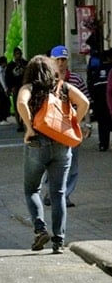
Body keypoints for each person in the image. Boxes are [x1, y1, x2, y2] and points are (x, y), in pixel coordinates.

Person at [16, 55, 89, 254]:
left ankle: (40, 229)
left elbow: (21, 103)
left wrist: (29, 128)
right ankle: (59, 241)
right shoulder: (63, 87)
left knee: (31, 189)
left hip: (37, 142)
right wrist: (72, 124)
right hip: (61, 143)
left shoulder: (29, 88)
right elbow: (84, 102)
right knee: (58, 193)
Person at [43, 45, 91, 207]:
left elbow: (86, 102)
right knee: (51, 162)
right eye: (58, 60)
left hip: (71, 127)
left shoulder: (76, 80)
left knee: (71, 163)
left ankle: (65, 195)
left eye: (63, 60)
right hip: (51, 128)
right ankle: (50, 192)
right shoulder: (46, 81)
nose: (61, 63)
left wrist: (86, 124)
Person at [5, 47, 28, 132]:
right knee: (16, 105)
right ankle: (19, 124)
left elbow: (28, 73)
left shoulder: (25, 63)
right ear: (14, 55)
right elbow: (7, 77)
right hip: (15, 87)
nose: (19, 56)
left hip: (24, 86)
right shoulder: (10, 65)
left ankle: (25, 122)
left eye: (20, 54)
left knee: (25, 104)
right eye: (17, 54)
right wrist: (10, 87)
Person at [0, 56, 11, 124]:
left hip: (0, 89)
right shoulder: (0, 70)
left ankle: (4, 118)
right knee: (3, 103)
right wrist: (5, 89)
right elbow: (2, 80)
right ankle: (2, 119)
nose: (6, 63)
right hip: (1, 89)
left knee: (3, 103)